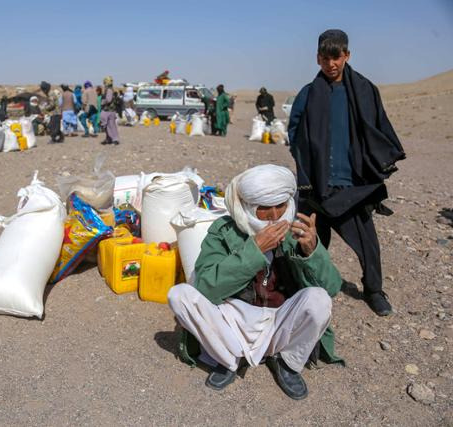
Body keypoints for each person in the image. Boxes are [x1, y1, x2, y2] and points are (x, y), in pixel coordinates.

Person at [168, 164, 343, 399]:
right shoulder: (224, 230)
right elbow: (205, 287)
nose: (274, 216)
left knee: (318, 299)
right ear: (248, 206)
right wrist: (254, 251)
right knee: (179, 295)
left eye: (280, 206)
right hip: (234, 319)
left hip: (281, 319)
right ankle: (229, 359)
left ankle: (287, 361)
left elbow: (331, 288)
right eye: (264, 208)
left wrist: (312, 251)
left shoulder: (297, 231)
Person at [288, 29, 405, 316]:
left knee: (368, 244)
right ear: (318, 59)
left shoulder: (364, 90)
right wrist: (308, 162)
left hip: (351, 185)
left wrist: (376, 163)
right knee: (309, 241)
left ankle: (374, 290)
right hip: (315, 184)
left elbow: (378, 126)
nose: (331, 64)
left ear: (347, 55)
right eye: (325, 58)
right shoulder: (308, 93)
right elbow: (294, 131)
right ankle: (308, 285)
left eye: (336, 57)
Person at [100, 76, 120, 145]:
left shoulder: (109, 90)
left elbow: (108, 100)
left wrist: (103, 102)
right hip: (111, 110)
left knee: (109, 125)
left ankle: (114, 139)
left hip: (108, 110)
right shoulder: (111, 89)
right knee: (110, 125)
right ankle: (109, 139)